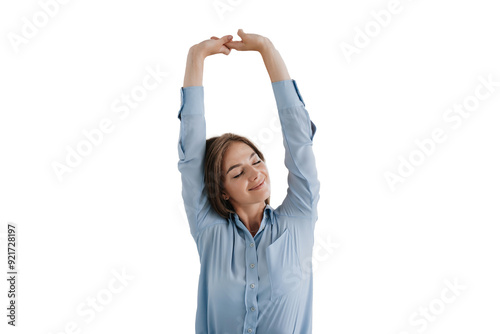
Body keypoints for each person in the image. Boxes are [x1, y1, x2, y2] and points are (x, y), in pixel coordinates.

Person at [177, 29, 320, 334]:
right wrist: (196, 57)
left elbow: (299, 140)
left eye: (256, 161)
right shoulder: (209, 230)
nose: (255, 173)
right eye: (237, 172)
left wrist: (267, 50)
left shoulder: (299, 216)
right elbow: (191, 159)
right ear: (222, 192)